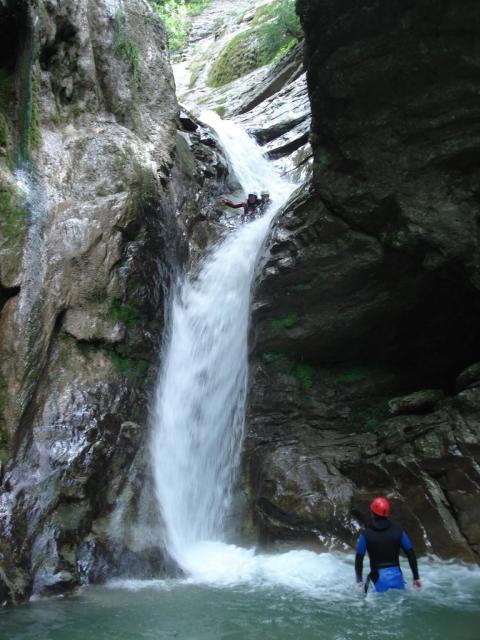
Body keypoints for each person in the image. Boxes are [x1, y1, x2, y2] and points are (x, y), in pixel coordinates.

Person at [355, 496, 422, 593]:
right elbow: (410, 554)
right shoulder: (399, 531)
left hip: (377, 580)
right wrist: (416, 577)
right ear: (387, 513)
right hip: (398, 579)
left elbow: (359, 558)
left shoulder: (366, 535)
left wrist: (359, 580)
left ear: (372, 513)